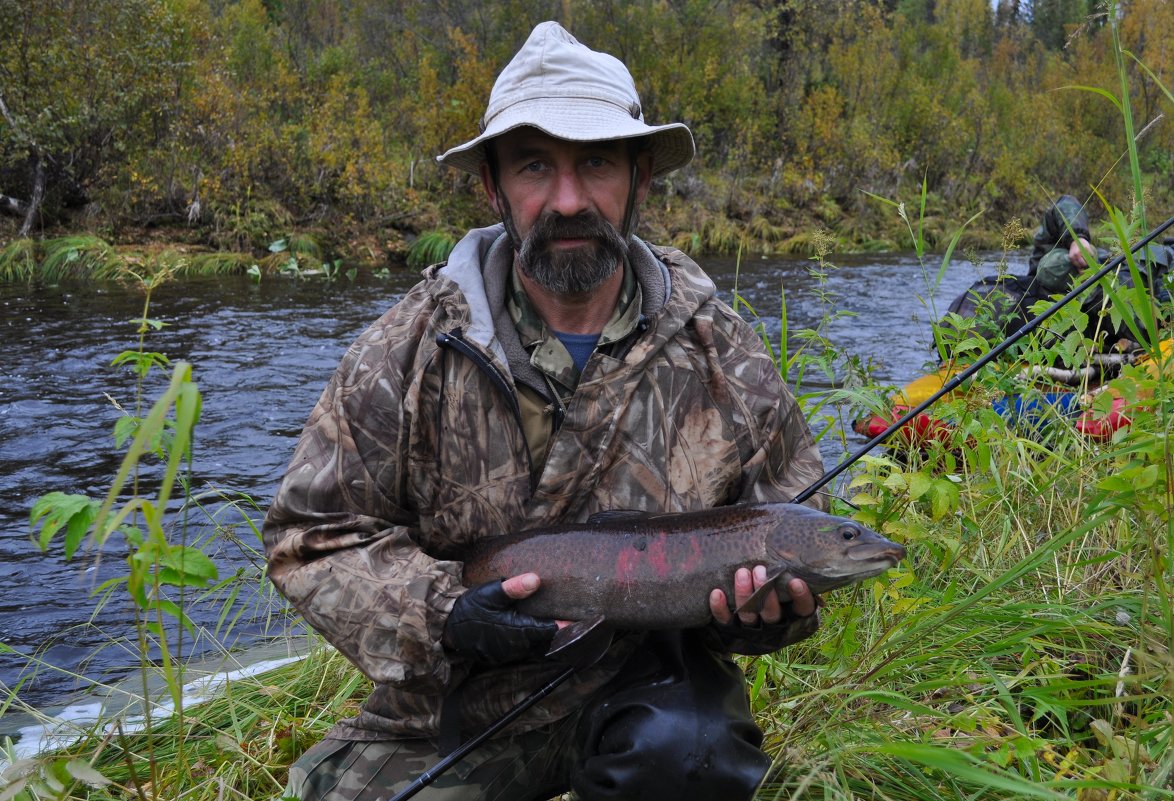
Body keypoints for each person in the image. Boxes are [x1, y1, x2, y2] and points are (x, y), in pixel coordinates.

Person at [263, 21, 827, 801]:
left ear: (640, 178)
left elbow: (801, 528)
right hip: (460, 705)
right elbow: (310, 540)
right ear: (494, 187)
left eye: (595, 162)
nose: (567, 200)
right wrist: (446, 616)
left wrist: (761, 618)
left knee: (688, 754)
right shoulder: (407, 350)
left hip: (652, 697)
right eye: (535, 165)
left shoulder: (724, 355)